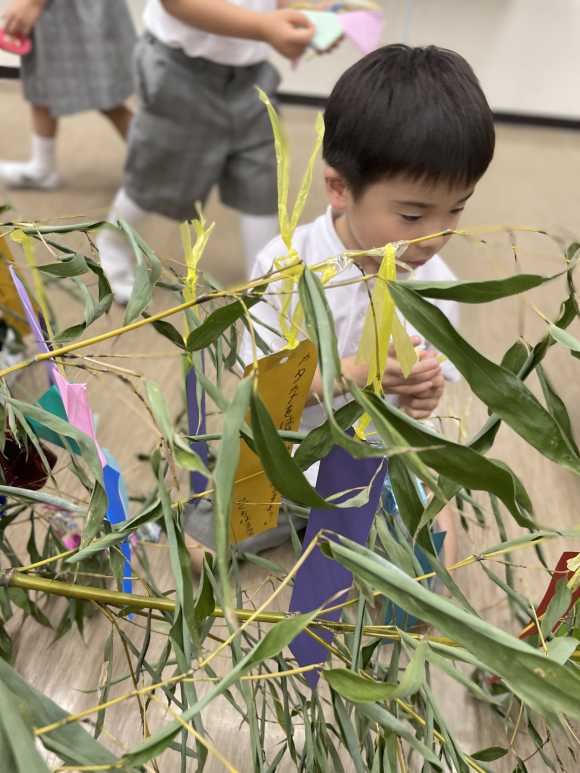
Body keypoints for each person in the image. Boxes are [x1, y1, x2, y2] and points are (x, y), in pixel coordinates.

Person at [184, 43, 495, 574]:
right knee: (199, 555)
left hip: (380, 463)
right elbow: (255, 390)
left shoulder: (438, 284)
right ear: (338, 187)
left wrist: (424, 396)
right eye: (412, 214)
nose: (437, 236)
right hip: (287, 454)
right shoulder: (287, 263)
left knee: (431, 578)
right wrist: (354, 374)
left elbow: (429, 403)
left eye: (457, 210)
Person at [95, 0, 324, 302]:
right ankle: (111, 241)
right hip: (180, 71)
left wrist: (306, 12)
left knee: (264, 180)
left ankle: (266, 281)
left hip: (252, 75)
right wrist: (265, 27)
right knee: (158, 173)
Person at [0, 0, 136, 190]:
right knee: (42, 77)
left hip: (72, 9)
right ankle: (42, 167)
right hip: (57, 9)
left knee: (105, 95)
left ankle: (165, 163)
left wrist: (34, 3)